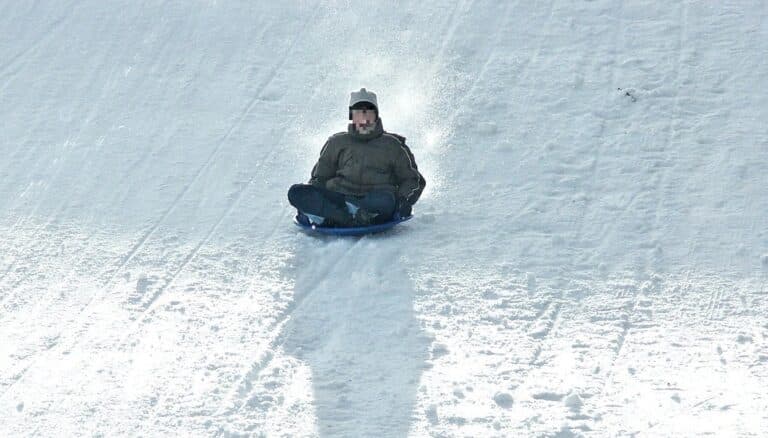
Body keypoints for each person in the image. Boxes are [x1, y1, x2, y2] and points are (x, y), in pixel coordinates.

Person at [288, 88, 426, 227]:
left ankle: (336, 216)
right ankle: (348, 217)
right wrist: (310, 198)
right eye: (359, 114)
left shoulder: (392, 145)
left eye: (369, 114)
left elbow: (412, 180)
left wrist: (403, 201)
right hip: (340, 197)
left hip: (373, 199)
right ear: (352, 117)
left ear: (376, 116)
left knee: (387, 200)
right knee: (296, 192)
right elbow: (320, 178)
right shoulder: (337, 142)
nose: (364, 119)